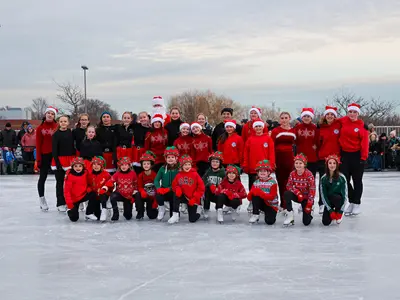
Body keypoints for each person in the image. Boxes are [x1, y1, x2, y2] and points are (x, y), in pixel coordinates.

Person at [338, 103, 369, 216]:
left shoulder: (361, 125)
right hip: (344, 155)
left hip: (357, 155)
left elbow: (365, 143)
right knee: (345, 180)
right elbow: (330, 120)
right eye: (350, 111)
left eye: (354, 112)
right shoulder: (342, 121)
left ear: (357, 113)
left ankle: (357, 203)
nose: (352, 114)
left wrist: (363, 157)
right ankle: (351, 201)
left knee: (357, 180)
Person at [317, 106, 341, 214]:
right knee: (323, 181)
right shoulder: (321, 127)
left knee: (335, 180)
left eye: (332, 114)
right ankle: (322, 203)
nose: (330, 116)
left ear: (335, 116)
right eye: (328, 114)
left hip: (336, 159)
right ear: (325, 116)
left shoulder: (339, 125)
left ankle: (335, 203)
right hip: (323, 158)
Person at [169, 155, 205, 224]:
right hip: (184, 196)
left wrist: (194, 198)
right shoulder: (179, 175)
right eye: (185, 165)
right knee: (176, 194)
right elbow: (174, 185)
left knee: (192, 219)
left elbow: (201, 188)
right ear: (182, 166)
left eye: (189, 164)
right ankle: (175, 214)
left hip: (193, 198)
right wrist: (177, 188)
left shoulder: (195, 174)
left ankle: (199, 211)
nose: (187, 166)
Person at [271, 112, 296, 210]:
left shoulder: (293, 131)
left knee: (289, 182)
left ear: (289, 118)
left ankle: (288, 203)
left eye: (286, 118)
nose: (284, 120)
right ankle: (283, 203)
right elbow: (271, 145)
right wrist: (273, 161)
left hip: (289, 158)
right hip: (279, 158)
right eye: (282, 118)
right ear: (279, 119)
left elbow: (296, 144)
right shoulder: (275, 131)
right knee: (281, 182)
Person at [36, 106, 59, 211]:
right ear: (45, 114)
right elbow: (38, 144)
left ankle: (61, 201)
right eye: (48, 113)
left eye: (52, 114)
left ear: (54, 116)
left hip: (56, 155)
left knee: (60, 179)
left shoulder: (58, 126)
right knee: (42, 178)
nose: (50, 115)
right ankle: (42, 199)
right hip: (45, 155)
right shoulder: (40, 128)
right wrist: (38, 159)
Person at [51, 115, 76, 212]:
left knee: (71, 182)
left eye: (65, 121)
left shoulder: (71, 133)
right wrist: (57, 163)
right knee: (60, 182)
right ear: (58, 123)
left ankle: (71, 201)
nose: (63, 123)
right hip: (60, 160)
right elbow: (54, 150)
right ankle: (60, 202)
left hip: (70, 160)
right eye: (61, 121)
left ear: (68, 122)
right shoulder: (56, 134)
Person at [283, 153, 316, 226]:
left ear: (304, 164)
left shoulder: (309, 174)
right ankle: (290, 215)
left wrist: (310, 202)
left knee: (306, 222)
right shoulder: (292, 174)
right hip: (298, 196)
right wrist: (297, 192)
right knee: (287, 194)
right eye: (296, 163)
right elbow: (288, 185)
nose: (298, 165)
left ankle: (310, 212)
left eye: (300, 163)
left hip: (306, 198)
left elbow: (312, 189)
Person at [101, 156, 138, 221]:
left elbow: (136, 183)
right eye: (122, 165)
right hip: (120, 193)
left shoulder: (133, 174)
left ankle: (127, 212)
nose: (124, 167)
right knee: (113, 196)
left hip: (129, 196)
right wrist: (105, 187)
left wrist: (135, 191)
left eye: (126, 165)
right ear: (119, 166)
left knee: (128, 216)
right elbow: (111, 181)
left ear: (129, 166)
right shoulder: (117, 174)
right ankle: (116, 213)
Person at [243, 119, 275, 191]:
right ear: (254, 128)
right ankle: (252, 200)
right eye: (256, 126)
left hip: (264, 168)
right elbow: (246, 153)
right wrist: (246, 164)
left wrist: (271, 165)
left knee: (264, 187)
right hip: (252, 167)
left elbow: (271, 153)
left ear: (263, 127)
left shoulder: (268, 139)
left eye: (260, 126)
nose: (258, 128)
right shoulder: (250, 139)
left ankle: (265, 200)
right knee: (252, 185)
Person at [64, 157, 99, 222]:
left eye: (80, 166)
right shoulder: (70, 176)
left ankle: (89, 212)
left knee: (94, 194)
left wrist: (89, 188)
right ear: (72, 167)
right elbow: (67, 191)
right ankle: (69, 210)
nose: (78, 168)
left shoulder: (86, 172)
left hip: (83, 195)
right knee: (74, 219)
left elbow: (89, 183)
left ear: (83, 167)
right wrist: (69, 204)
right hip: (74, 199)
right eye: (76, 166)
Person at [248, 160, 279, 225]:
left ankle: (268, 213)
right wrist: (252, 192)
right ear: (257, 173)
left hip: (271, 205)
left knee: (270, 222)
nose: (262, 173)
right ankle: (255, 214)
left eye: (264, 171)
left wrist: (259, 192)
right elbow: (249, 198)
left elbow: (271, 197)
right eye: (260, 171)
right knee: (255, 196)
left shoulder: (273, 183)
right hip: (262, 203)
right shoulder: (256, 182)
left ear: (268, 172)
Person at [320, 155, 348, 226]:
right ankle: (332, 211)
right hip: (329, 201)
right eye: (330, 163)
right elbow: (323, 195)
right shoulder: (323, 178)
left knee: (337, 198)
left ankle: (338, 211)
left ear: (337, 165)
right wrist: (330, 210)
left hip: (338, 200)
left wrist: (341, 211)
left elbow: (345, 196)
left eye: (334, 163)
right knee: (325, 222)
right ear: (327, 165)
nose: (332, 165)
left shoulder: (342, 178)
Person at [155, 147, 180, 221]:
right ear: (165, 158)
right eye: (168, 157)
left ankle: (175, 213)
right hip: (164, 190)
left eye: (173, 157)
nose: (170, 159)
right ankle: (162, 209)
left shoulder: (179, 168)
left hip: (174, 191)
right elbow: (156, 180)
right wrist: (158, 188)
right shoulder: (162, 168)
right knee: (158, 194)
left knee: (172, 214)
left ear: (176, 158)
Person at [294, 108, 319, 177]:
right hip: (300, 156)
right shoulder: (298, 127)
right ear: (302, 117)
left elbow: (317, 140)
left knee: (311, 177)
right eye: (304, 116)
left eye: (308, 116)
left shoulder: (315, 128)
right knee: (300, 177)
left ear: (311, 118)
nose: (306, 118)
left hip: (312, 157)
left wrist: (315, 147)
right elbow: (294, 140)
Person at [202, 151, 225, 218]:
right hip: (210, 193)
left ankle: (219, 209)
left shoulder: (223, 173)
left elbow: (226, 183)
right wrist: (210, 184)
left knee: (221, 195)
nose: (215, 163)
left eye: (217, 162)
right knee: (206, 190)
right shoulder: (208, 171)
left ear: (220, 163)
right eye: (213, 162)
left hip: (219, 193)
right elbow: (203, 180)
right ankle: (206, 208)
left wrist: (219, 187)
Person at [135, 151, 158, 220]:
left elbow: (157, 187)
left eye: (148, 164)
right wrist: (142, 191)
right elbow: (139, 186)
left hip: (152, 196)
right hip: (143, 195)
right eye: (144, 164)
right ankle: (140, 211)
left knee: (152, 216)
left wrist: (155, 201)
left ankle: (154, 209)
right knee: (137, 194)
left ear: (151, 165)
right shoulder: (140, 175)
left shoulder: (154, 175)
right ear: (142, 165)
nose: (146, 165)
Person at [88, 156, 112, 222]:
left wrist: (105, 188)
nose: (96, 166)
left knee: (103, 194)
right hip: (95, 196)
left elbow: (111, 183)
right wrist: (89, 190)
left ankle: (104, 209)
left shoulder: (106, 174)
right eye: (94, 164)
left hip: (104, 194)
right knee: (98, 216)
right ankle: (92, 211)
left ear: (101, 166)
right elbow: (87, 185)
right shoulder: (89, 174)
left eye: (98, 164)